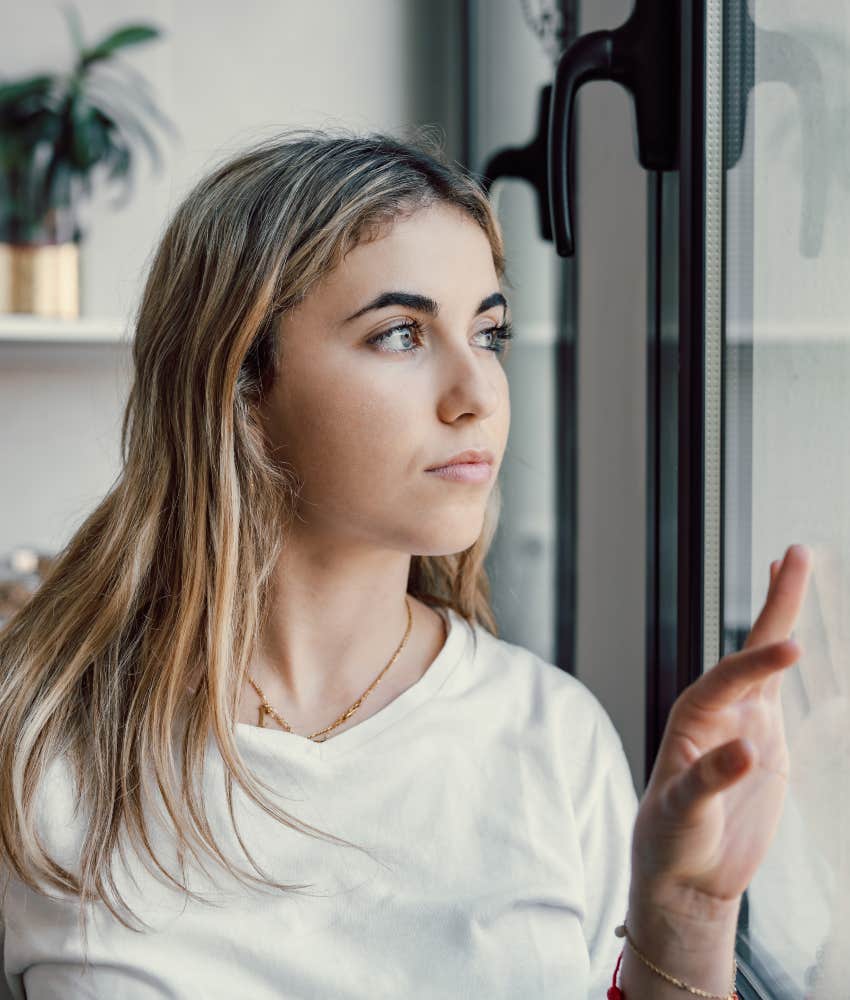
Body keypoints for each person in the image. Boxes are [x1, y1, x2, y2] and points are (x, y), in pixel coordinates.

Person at [0, 128, 812, 999]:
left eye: (489, 334)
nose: (479, 394)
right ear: (239, 381)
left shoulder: (551, 738)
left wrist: (685, 921)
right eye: (400, 334)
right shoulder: (38, 738)